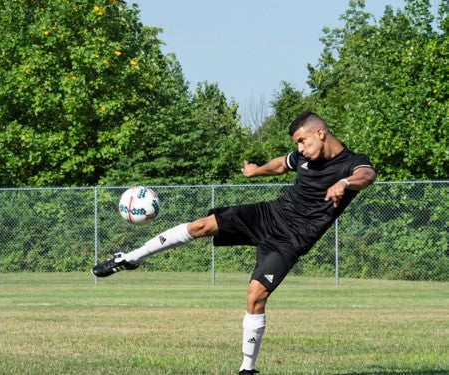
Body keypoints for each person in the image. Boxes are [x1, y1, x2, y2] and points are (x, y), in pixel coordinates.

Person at [92, 111, 376, 374]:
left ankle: (247, 368)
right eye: (297, 144)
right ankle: (130, 258)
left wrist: (345, 184)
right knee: (202, 225)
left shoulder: (352, 163)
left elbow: (366, 176)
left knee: (255, 297)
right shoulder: (303, 158)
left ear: (320, 134)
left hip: (291, 240)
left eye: (302, 141)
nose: (300, 148)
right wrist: (256, 171)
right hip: (270, 214)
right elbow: (281, 164)